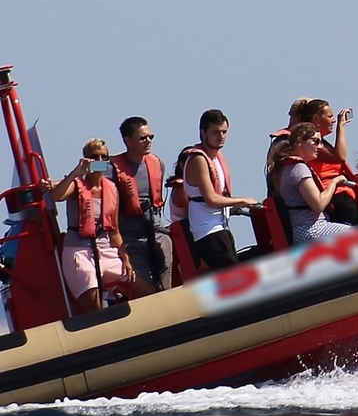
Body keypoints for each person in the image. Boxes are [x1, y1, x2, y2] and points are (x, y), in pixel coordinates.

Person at [44, 139, 135, 313]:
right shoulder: (76, 185)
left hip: (105, 249)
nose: (99, 160)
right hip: (79, 251)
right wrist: (76, 172)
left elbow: (114, 230)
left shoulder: (112, 189)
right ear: (86, 159)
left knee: (141, 288)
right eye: (94, 157)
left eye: (103, 157)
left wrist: (126, 259)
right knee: (95, 307)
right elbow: (57, 195)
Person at [182, 109, 258, 270]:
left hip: (221, 227)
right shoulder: (198, 159)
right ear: (203, 133)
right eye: (216, 132)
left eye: (224, 132)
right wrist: (242, 200)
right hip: (207, 231)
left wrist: (233, 207)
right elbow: (211, 199)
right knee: (233, 274)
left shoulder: (216, 158)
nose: (221, 136)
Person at [110, 116, 172, 294]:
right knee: (145, 291)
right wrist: (54, 184)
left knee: (164, 288)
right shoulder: (109, 166)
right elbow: (85, 169)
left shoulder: (157, 163)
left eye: (150, 137)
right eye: (143, 138)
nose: (148, 141)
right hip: (131, 240)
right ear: (127, 141)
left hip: (158, 235)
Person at [266, 122, 352, 243]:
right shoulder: (298, 168)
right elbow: (318, 205)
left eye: (321, 142)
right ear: (300, 141)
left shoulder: (288, 167)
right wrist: (335, 181)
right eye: (315, 141)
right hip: (310, 229)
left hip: (305, 229)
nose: (320, 146)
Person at [295, 99, 358, 225]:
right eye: (330, 116)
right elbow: (340, 156)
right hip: (336, 197)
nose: (334, 120)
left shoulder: (323, 144)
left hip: (343, 194)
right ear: (316, 119)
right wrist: (341, 127)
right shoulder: (311, 145)